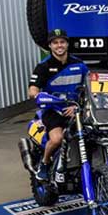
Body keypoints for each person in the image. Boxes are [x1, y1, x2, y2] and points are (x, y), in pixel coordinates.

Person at [27, 29, 89, 181]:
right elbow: (32, 90)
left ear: (67, 44)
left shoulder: (79, 64)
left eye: (62, 42)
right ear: (50, 46)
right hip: (54, 110)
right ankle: (45, 163)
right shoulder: (44, 66)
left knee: (95, 135)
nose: (59, 45)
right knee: (56, 139)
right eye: (55, 43)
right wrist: (38, 95)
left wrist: (80, 105)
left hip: (76, 110)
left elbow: (90, 84)